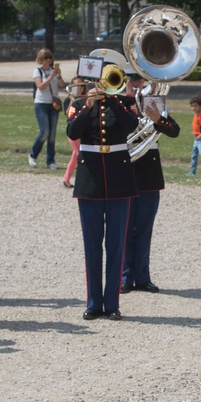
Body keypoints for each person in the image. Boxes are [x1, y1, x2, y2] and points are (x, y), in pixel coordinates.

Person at [65, 60, 139, 320]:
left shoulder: (124, 103)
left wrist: (114, 100)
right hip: (90, 180)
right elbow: (72, 131)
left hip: (118, 179)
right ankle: (94, 302)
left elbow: (131, 126)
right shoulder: (78, 104)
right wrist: (88, 106)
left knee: (116, 244)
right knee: (92, 245)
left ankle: (112, 303)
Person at [117, 53, 180, 294]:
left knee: (144, 228)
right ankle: (123, 276)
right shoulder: (118, 103)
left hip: (149, 172)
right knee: (124, 227)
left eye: (139, 80)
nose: (135, 84)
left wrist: (158, 121)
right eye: (131, 80)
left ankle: (142, 276)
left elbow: (174, 130)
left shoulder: (154, 101)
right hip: (126, 170)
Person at [30, 48, 65, 170]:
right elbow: (40, 86)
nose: (48, 60)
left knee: (52, 135)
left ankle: (50, 161)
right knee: (44, 132)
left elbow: (62, 85)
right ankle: (33, 154)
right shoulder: (37, 71)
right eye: (45, 58)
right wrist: (50, 77)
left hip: (53, 104)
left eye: (50, 57)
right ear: (41, 59)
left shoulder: (53, 71)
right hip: (41, 103)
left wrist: (59, 76)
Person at [61, 76, 86, 188]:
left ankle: (66, 178)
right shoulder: (69, 100)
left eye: (81, 86)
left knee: (75, 156)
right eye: (76, 86)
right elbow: (68, 113)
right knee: (80, 155)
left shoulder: (86, 99)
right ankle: (82, 179)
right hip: (73, 132)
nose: (79, 88)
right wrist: (72, 100)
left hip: (83, 131)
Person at [186, 96, 201, 175]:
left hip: (200, 138)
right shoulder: (195, 115)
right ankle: (192, 171)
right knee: (194, 155)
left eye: (196, 106)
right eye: (192, 106)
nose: (193, 108)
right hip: (196, 138)